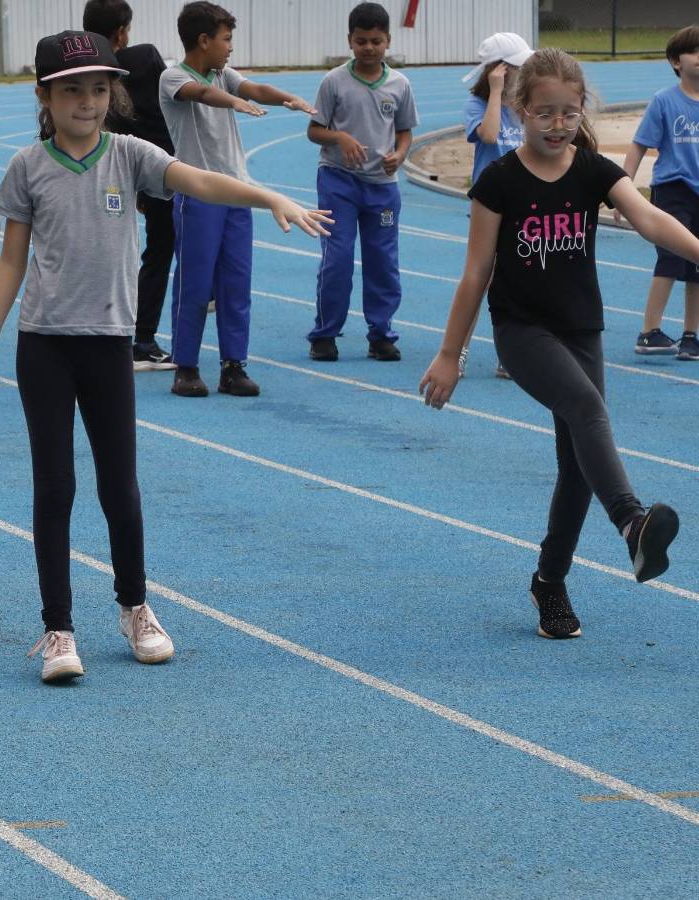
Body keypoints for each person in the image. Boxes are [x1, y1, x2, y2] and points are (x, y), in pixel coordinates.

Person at [0, 31, 329, 683]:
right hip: (44, 345)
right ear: (45, 95)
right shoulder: (28, 168)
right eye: (72, 89)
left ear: (114, 94)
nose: (87, 101)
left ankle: (135, 608)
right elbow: (13, 260)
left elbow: (200, 181)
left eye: (99, 89)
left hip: (108, 344)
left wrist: (270, 195)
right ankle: (58, 629)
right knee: (54, 486)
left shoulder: (129, 155)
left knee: (118, 485)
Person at [419, 50, 699, 639]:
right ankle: (631, 522)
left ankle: (549, 583)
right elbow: (476, 272)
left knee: (576, 467)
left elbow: (648, 219)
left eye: (568, 113)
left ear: (582, 111)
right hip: (522, 331)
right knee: (587, 409)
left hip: (581, 328)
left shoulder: (593, 170)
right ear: (520, 109)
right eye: (544, 112)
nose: (557, 124)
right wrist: (451, 353)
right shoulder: (498, 181)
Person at [159, 1, 316, 398]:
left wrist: (287, 98)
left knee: (236, 283)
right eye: (226, 39)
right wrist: (232, 101)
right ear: (203, 40)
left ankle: (233, 365)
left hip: (238, 193)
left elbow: (255, 88)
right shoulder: (173, 76)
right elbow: (199, 94)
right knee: (194, 284)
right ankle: (186, 366)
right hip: (198, 194)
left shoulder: (222, 73)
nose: (230, 47)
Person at [304, 2, 417, 363]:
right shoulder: (333, 82)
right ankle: (325, 333)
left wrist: (399, 155)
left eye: (376, 41)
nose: (369, 47)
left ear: (388, 41)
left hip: (382, 186)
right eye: (361, 40)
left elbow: (404, 133)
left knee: (382, 260)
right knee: (337, 257)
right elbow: (314, 130)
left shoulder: (399, 84)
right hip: (338, 181)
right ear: (350, 41)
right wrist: (341, 138)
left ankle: (381, 333)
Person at [82, 0, 178, 371]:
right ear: (121, 32)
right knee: (160, 252)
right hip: (158, 167)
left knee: (104, 254)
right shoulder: (143, 59)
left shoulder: (83, 72)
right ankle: (142, 339)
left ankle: (108, 334)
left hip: (101, 173)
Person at [621, 25, 699, 359]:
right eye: (693, 52)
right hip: (672, 189)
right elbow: (639, 146)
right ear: (675, 61)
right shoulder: (664, 101)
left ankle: (691, 335)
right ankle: (649, 331)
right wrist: (621, 193)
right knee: (670, 257)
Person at [460, 31, 533, 379]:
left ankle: (511, 355)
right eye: (517, 68)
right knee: (479, 278)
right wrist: (496, 93)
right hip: (490, 205)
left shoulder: (525, 108)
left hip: (524, 204)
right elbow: (489, 135)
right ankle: (458, 349)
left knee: (516, 283)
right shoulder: (478, 105)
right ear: (498, 70)